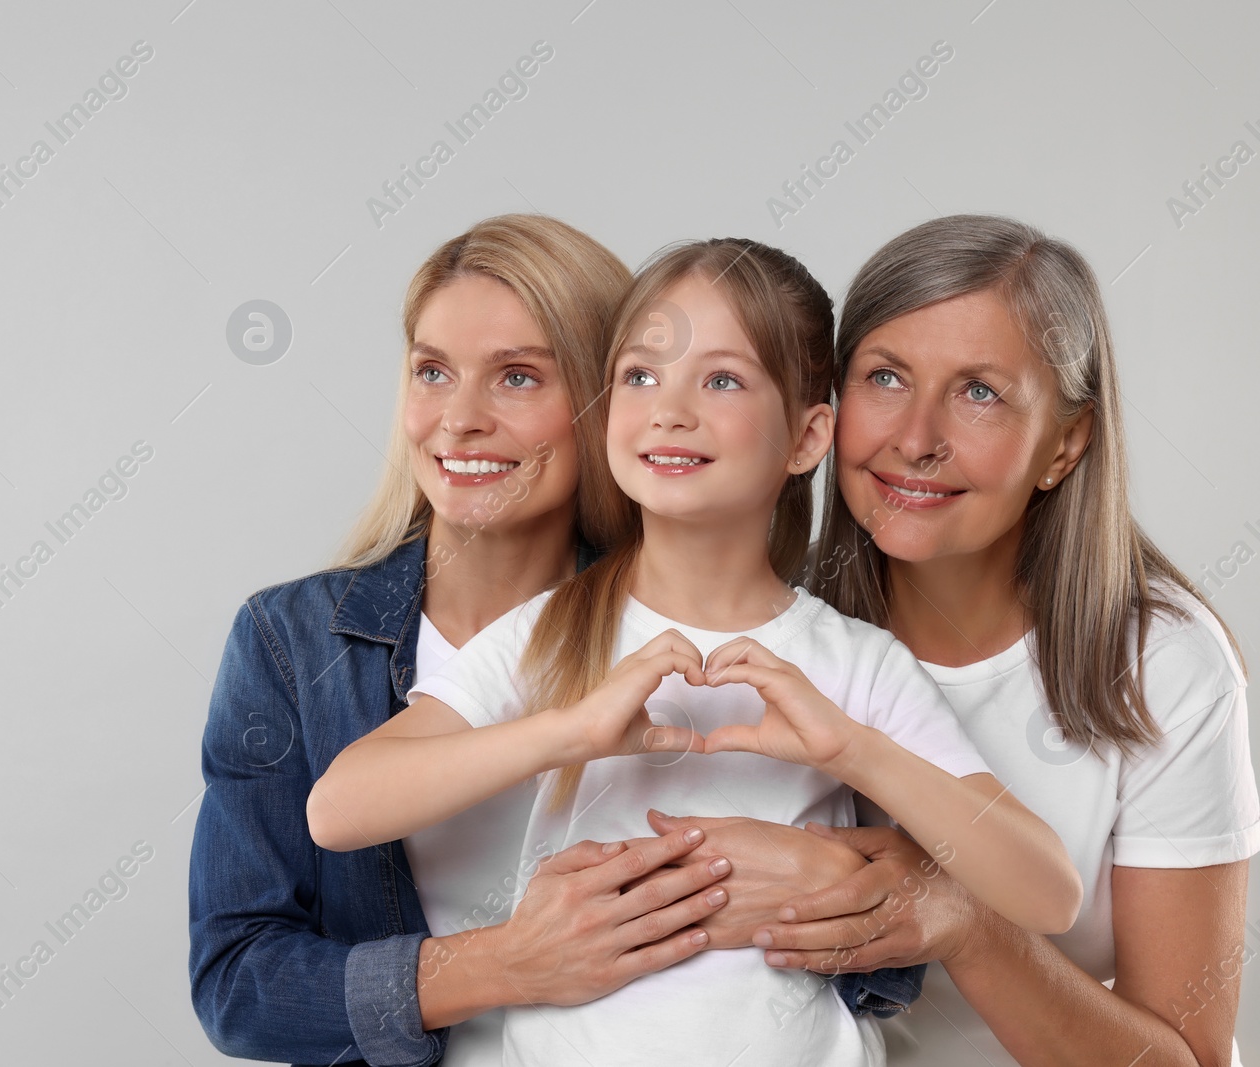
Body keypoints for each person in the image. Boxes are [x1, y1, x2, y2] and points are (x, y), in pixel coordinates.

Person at [308, 236, 1083, 1067]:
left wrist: (853, 751)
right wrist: (567, 732)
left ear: (807, 435)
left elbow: (1046, 893)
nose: (669, 409)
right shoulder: (553, 631)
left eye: (721, 379)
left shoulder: (855, 662)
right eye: (640, 376)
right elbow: (339, 810)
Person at [680, 214, 1258, 1066]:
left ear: (1065, 442)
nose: (914, 439)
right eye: (885, 377)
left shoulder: (1162, 664)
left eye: (979, 391)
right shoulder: (769, 629)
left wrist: (964, 921)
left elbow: (1193, 1060)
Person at [191, 214, 761, 1067]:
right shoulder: (292, 642)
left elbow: (872, 968)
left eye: (518, 377)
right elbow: (238, 984)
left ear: (609, 398)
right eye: (433, 371)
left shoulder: (705, 629)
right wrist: (507, 965)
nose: (459, 420)